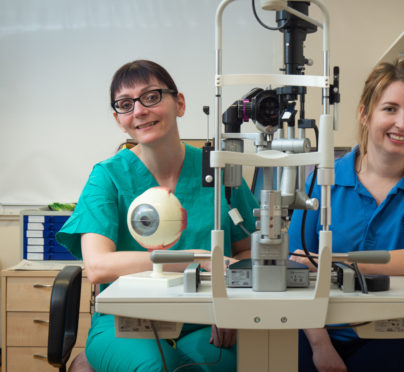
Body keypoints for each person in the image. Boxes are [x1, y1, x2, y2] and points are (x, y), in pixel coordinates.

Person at [56, 59, 259, 372]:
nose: (139, 111)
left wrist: (230, 306)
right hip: (126, 321)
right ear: (118, 119)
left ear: (179, 103)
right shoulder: (108, 177)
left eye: (151, 97)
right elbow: (97, 267)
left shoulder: (219, 170)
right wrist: (194, 258)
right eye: (126, 104)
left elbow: (245, 250)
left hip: (205, 320)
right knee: (155, 367)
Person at [288, 58, 404, 372]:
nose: (403, 124)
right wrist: (320, 345)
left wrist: (333, 261)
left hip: (394, 332)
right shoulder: (320, 179)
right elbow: (294, 267)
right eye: (390, 108)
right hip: (318, 329)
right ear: (365, 114)